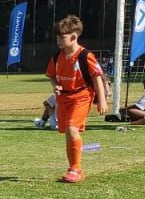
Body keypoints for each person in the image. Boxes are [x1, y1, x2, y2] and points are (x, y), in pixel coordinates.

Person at [45, 15, 109, 182]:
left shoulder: (85, 55)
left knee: (72, 129)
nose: (58, 40)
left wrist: (102, 100)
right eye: (57, 37)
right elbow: (52, 75)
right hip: (63, 98)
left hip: (82, 95)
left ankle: (76, 169)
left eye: (62, 37)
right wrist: (55, 85)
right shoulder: (56, 57)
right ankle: (73, 167)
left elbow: (97, 77)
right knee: (68, 133)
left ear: (74, 37)